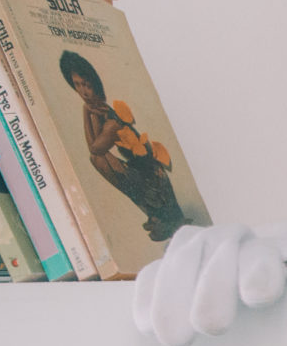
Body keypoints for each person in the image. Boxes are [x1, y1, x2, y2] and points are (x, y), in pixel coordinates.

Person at [58, 49, 192, 243]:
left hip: (153, 179)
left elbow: (95, 149)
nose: (82, 91)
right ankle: (155, 215)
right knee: (97, 159)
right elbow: (94, 142)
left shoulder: (113, 120)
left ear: (95, 83)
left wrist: (85, 113)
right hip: (141, 173)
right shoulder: (98, 111)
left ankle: (160, 215)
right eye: (77, 85)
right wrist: (90, 113)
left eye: (86, 85)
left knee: (97, 158)